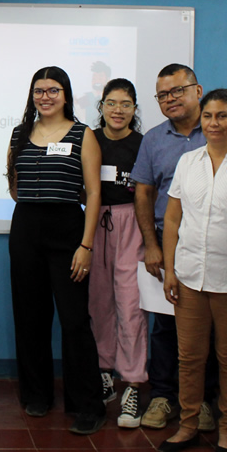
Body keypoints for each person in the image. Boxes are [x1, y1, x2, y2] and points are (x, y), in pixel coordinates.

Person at [5, 66, 107, 435]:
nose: (44, 97)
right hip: (26, 230)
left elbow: (94, 192)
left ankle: (87, 405)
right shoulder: (19, 134)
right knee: (30, 318)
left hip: (68, 233)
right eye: (38, 91)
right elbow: (14, 186)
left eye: (53, 90)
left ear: (66, 95)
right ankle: (37, 395)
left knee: (74, 320)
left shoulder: (84, 135)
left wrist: (86, 244)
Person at [159, 89, 227, 452]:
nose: (214, 124)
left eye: (222, 116)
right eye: (209, 116)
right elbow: (172, 218)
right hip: (189, 275)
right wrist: (170, 269)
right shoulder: (188, 162)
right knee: (190, 357)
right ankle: (188, 425)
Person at [131, 63, 217, 432]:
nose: (170, 100)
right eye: (163, 95)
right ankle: (164, 396)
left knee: (210, 327)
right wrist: (151, 245)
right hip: (169, 245)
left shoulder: (220, 129)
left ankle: (204, 402)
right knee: (165, 327)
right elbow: (144, 192)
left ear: (197, 91)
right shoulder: (153, 139)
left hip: (215, 247)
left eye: (177, 91)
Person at [86, 78, 147, 428]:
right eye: (111, 103)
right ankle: (103, 372)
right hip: (96, 223)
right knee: (98, 303)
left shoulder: (144, 143)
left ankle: (134, 381)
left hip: (132, 225)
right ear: (102, 107)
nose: (118, 110)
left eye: (125, 104)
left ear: (135, 109)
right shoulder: (90, 140)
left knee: (130, 304)